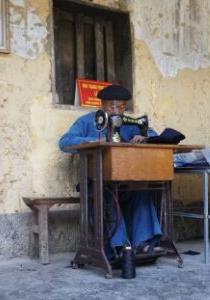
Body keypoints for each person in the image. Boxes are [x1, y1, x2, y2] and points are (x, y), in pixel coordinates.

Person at [59, 84, 162, 259]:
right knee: (109, 195)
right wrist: (95, 140)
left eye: (122, 107)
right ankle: (120, 247)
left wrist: (144, 137)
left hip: (124, 181)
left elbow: (153, 133)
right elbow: (64, 142)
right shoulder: (86, 122)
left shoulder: (128, 123)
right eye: (112, 106)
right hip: (95, 182)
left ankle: (143, 244)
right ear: (102, 106)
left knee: (141, 192)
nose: (117, 111)